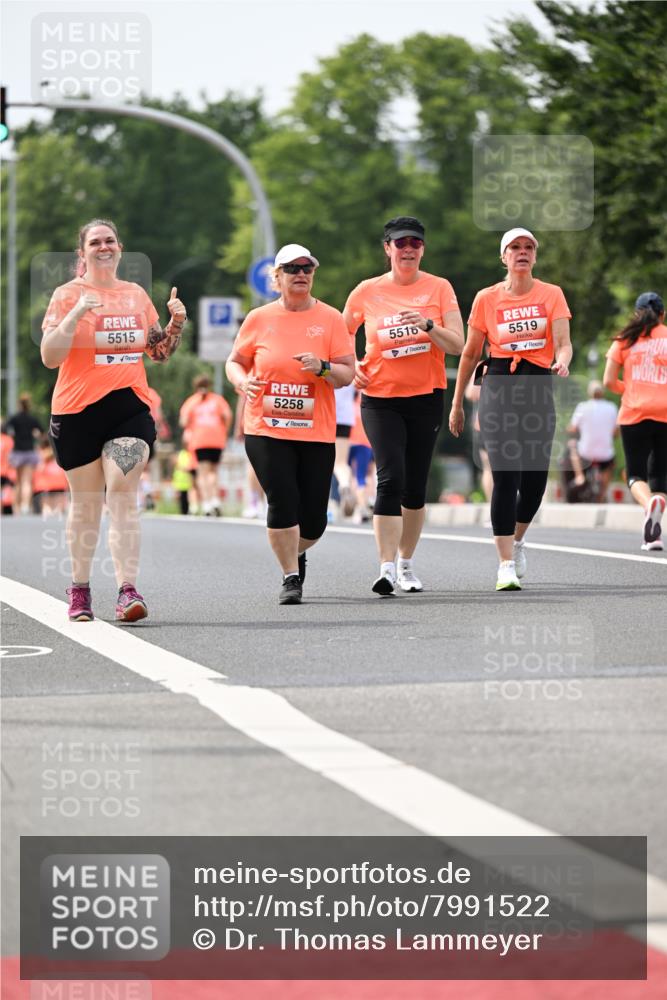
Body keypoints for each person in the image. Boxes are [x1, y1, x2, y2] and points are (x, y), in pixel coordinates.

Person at [41, 218, 186, 622]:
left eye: (110, 241)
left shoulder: (135, 295)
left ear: (120, 248)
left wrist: (176, 322)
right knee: (87, 505)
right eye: (95, 242)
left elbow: (157, 352)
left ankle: (127, 591)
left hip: (128, 407)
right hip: (76, 412)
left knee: (121, 492)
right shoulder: (67, 295)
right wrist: (76, 314)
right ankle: (80, 589)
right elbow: (50, 356)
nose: (103, 247)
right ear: (82, 253)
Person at [226, 243, 355, 604]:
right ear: (277, 277)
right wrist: (242, 382)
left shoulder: (330, 318)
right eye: (292, 269)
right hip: (265, 427)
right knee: (282, 501)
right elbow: (234, 362)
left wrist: (323, 368)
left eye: (306, 268)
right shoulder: (258, 318)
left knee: (313, 521)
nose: (300, 274)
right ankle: (290, 577)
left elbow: (348, 374)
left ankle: (294, 549)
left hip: (315, 430)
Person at [343, 216, 464, 595]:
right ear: (388, 248)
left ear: (422, 249)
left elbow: (458, 344)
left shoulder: (439, 288)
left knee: (414, 487)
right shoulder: (367, 291)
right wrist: (353, 364)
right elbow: (341, 334)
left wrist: (428, 326)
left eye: (415, 243)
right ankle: (385, 568)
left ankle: (406, 564)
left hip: (426, 397)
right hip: (380, 399)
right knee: (389, 478)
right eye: (400, 243)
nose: (408, 249)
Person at [449, 227, 572, 591]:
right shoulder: (487, 298)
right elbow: (470, 353)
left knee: (534, 483)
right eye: (515, 247)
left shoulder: (551, 294)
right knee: (505, 475)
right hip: (499, 384)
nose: (522, 252)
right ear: (503, 256)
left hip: (537, 385)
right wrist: (456, 404)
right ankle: (505, 564)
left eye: (528, 247)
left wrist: (562, 361)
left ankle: (517, 541)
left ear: (535, 255)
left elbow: (564, 343)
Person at [603, 291, 667, 551]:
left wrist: (629, 389)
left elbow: (608, 381)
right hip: (665, 413)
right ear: (662, 315)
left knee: (636, 473)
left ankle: (649, 504)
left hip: (633, 413)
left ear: (636, 313)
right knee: (660, 474)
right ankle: (653, 535)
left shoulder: (625, 339)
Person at [179, 375, 233, 516]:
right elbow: (228, 416)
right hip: (217, 439)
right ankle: (215, 500)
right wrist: (224, 430)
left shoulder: (192, 401)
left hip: (199, 440)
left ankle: (207, 504)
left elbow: (183, 421)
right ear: (209, 385)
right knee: (213, 471)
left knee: (202, 473)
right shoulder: (217, 400)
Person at [566, 379, 618, 501]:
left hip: (585, 453)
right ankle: (602, 494)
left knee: (572, 445)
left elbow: (572, 428)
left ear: (589, 393)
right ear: (603, 392)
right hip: (605, 455)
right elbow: (616, 432)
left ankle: (579, 476)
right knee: (610, 464)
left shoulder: (582, 407)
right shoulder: (612, 407)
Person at [5, 392, 43, 513]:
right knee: (27, 481)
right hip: (29, 452)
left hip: (17, 452)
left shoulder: (15, 418)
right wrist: (35, 435)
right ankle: (25, 505)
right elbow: (41, 431)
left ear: (19, 405)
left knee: (18, 481)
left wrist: (13, 435)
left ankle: (16, 507)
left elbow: (4, 427)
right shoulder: (32, 419)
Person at [33, 434, 69, 516]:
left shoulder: (41, 453)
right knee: (57, 505)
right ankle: (56, 509)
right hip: (58, 482)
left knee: (48, 506)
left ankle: (49, 509)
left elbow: (39, 468)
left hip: (46, 484)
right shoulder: (59, 450)